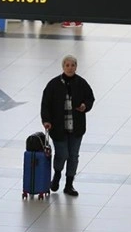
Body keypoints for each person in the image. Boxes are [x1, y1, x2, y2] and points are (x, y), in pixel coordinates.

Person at [40, 55, 95, 196]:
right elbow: (45, 104)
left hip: (76, 128)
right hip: (59, 128)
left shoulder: (81, 83)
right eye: (67, 65)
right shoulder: (53, 84)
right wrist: (46, 120)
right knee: (62, 154)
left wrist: (85, 106)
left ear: (76, 67)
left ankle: (69, 184)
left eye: (73, 65)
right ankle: (57, 174)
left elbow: (90, 98)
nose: (70, 68)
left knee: (73, 156)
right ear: (63, 67)